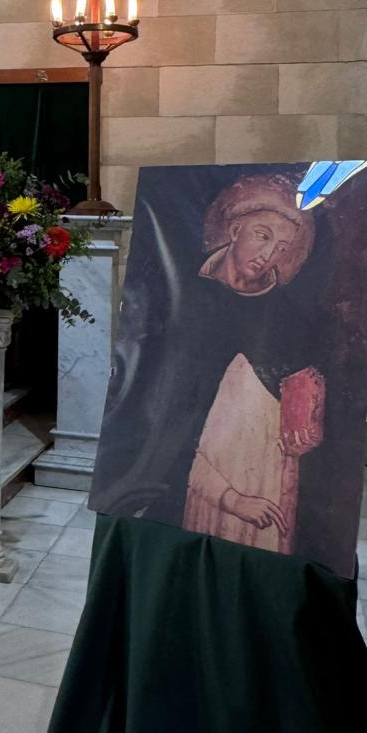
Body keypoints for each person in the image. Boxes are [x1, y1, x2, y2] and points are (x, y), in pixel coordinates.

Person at [91, 171, 321, 560]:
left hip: (235, 474)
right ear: (234, 229)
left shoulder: (285, 316)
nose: (269, 254)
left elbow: (294, 403)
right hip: (157, 457)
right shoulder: (177, 283)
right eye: (262, 236)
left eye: (282, 247)